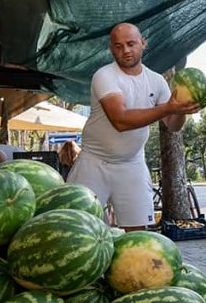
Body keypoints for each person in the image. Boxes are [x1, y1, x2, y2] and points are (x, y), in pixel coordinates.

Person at [68, 23, 197, 228]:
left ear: (143, 43)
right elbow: (120, 120)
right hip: (93, 162)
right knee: (79, 228)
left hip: (132, 164)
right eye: (118, 46)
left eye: (131, 44)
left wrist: (182, 110)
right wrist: (168, 108)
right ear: (111, 49)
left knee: (138, 233)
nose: (125, 50)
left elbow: (173, 125)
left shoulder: (156, 81)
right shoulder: (104, 75)